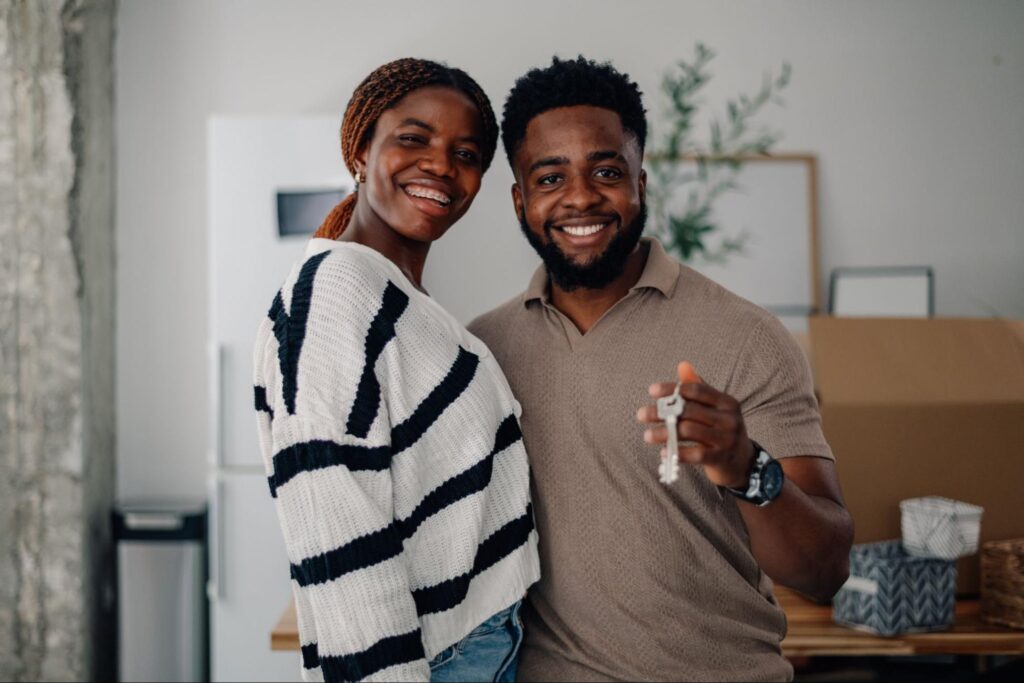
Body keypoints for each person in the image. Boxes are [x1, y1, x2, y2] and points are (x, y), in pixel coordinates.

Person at [467, 56, 854, 682]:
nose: (581, 197)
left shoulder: (747, 337)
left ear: (640, 183)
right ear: (520, 200)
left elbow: (825, 570)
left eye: (607, 171)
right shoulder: (484, 350)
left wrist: (746, 467)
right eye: (550, 178)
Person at [253, 58, 540, 683]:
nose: (441, 165)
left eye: (465, 153)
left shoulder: (398, 299)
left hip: (476, 646)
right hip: (437, 661)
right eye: (414, 138)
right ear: (361, 151)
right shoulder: (334, 294)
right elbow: (336, 519)